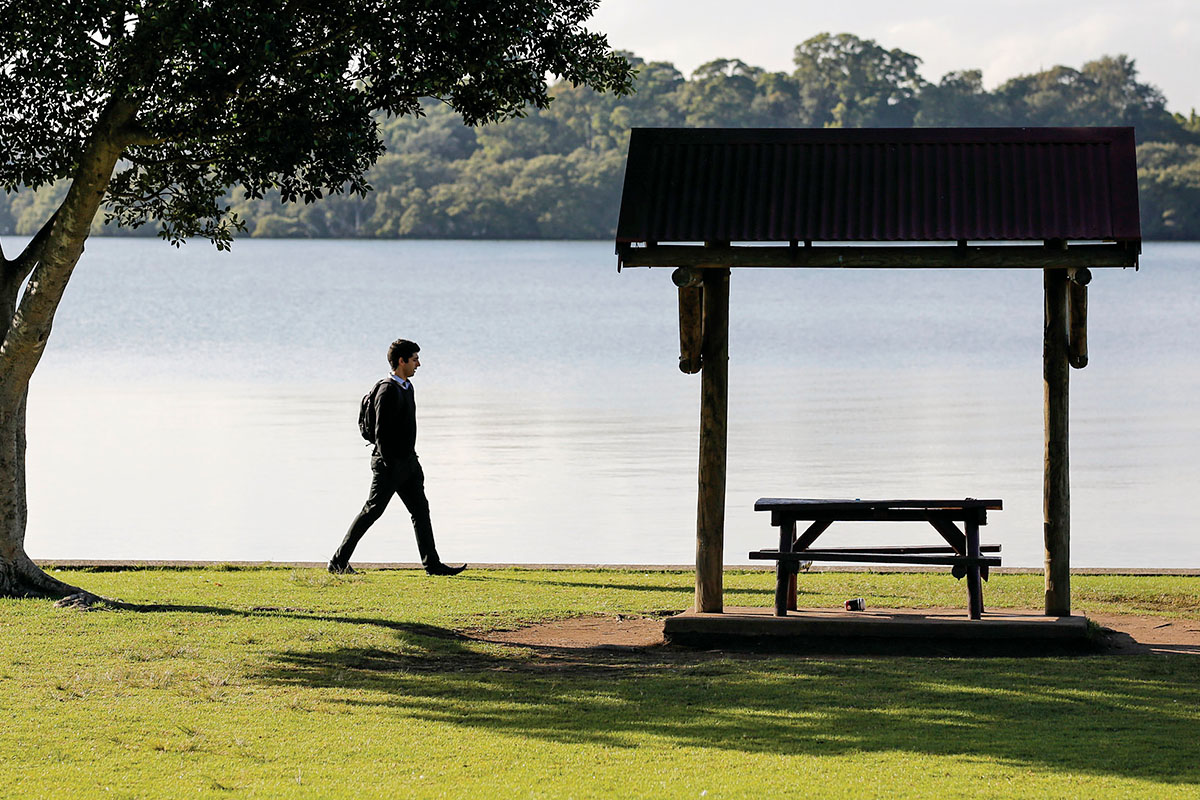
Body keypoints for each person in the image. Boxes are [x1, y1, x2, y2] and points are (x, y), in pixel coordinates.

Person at [329, 339, 466, 576]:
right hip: (389, 465)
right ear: (401, 361)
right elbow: (381, 434)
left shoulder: (407, 387)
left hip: (408, 464)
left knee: (421, 510)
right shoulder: (387, 390)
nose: (419, 364)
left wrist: (412, 462)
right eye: (414, 359)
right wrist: (394, 465)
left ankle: (432, 565)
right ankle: (338, 562)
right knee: (372, 511)